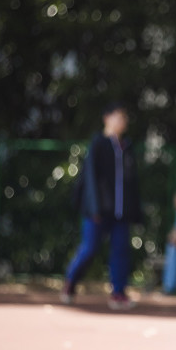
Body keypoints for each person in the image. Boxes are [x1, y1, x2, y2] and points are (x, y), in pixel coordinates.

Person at [61, 102, 142, 311]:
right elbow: (90, 178)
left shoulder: (128, 147)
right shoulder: (98, 143)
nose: (123, 121)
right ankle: (70, 282)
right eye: (118, 116)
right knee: (89, 249)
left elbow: (132, 182)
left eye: (125, 117)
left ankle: (118, 293)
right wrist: (94, 208)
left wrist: (135, 210)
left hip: (121, 213)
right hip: (97, 211)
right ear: (107, 118)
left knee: (120, 251)